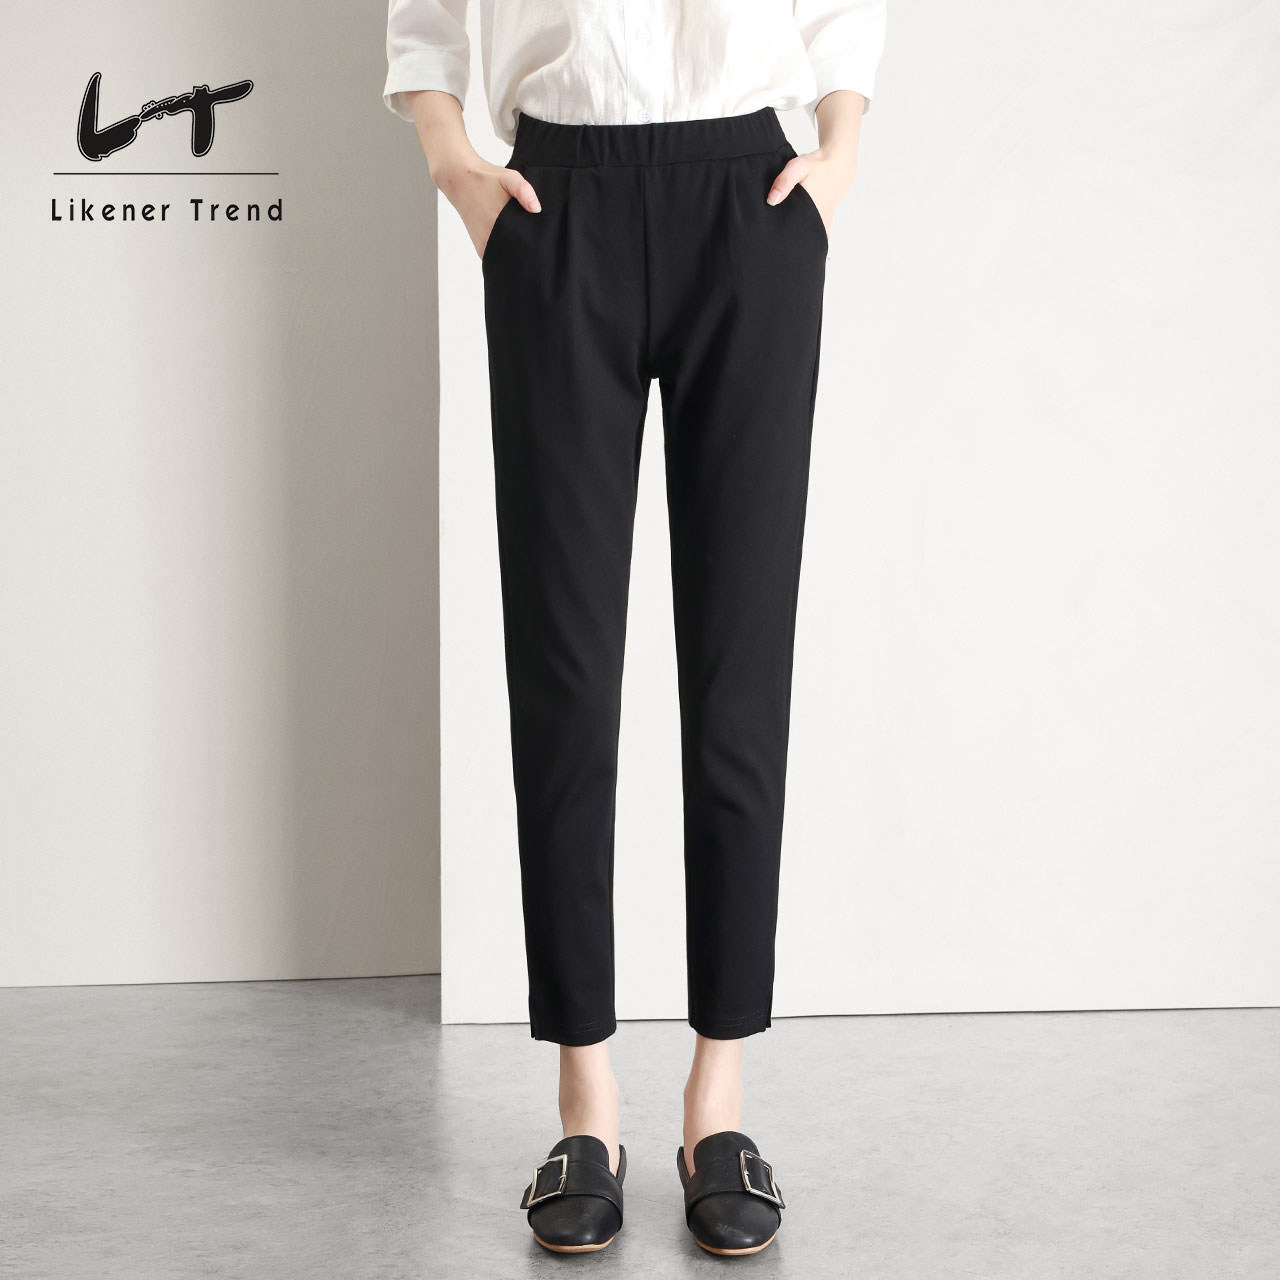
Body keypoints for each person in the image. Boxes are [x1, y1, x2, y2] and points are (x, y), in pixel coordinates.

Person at [383, 0, 886, 1257]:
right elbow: (424, 19)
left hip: (749, 199)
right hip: (556, 200)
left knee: (737, 674)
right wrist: (455, 167)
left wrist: (836, 153)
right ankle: (586, 1106)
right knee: (562, 672)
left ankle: (718, 1102)